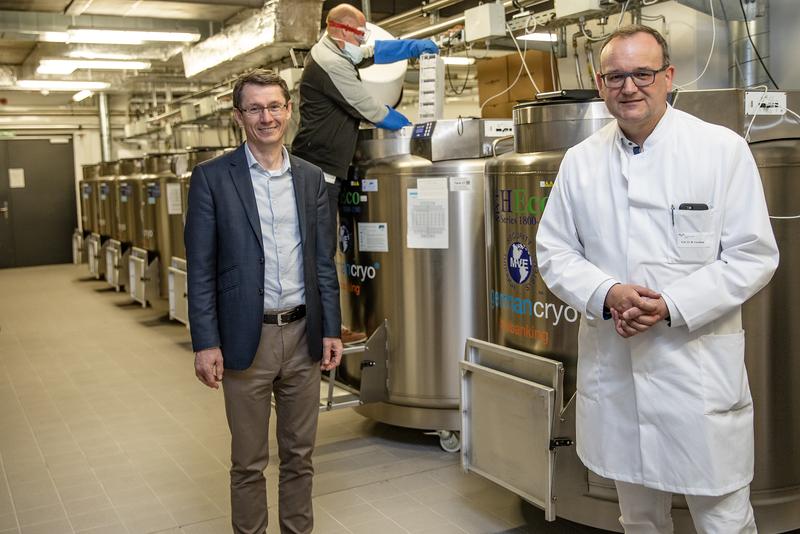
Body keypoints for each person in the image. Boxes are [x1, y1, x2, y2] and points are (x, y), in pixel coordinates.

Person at [535, 25, 778, 533]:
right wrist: (608, 294)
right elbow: (554, 252)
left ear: (668, 77)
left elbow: (754, 254)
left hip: (696, 370)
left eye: (642, 73)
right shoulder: (580, 163)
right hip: (618, 373)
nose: (630, 87)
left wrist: (670, 305)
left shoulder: (721, 150)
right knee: (640, 517)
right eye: (616, 76)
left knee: (723, 515)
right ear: (600, 84)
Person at [185, 69, 343, 534]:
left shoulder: (313, 179)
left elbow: (322, 260)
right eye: (254, 108)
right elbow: (201, 268)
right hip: (244, 338)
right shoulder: (213, 179)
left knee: (300, 457)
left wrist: (331, 327)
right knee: (249, 462)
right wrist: (205, 341)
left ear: (289, 111)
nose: (266, 117)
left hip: (302, 336)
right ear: (239, 116)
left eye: (275, 106)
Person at [291, 2, 438, 254]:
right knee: (320, 251)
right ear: (343, 31)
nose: (362, 40)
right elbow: (370, 109)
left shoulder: (336, 50)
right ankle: (321, 294)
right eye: (359, 33)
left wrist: (413, 47)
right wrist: (410, 127)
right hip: (319, 172)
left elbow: (372, 53)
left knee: (322, 249)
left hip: (324, 167)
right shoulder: (331, 62)